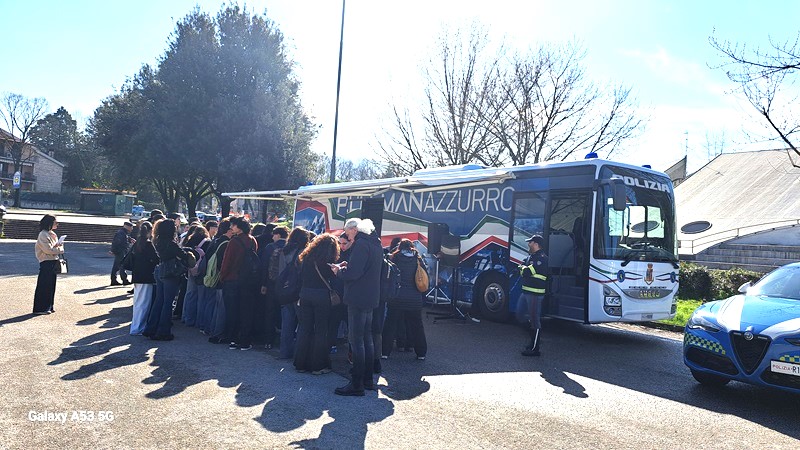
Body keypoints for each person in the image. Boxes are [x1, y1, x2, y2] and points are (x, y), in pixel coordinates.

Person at [330, 218, 383, 396]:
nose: (346, 235)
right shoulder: (376, 243)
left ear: (354, 230)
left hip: (357, 297)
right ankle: (367, 379)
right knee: (367, 339)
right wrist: (348, 266)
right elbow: (365, 269)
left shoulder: (361, 245)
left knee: (356, 340)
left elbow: (353, 274)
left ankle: (356, 383)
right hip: (371, 296)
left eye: (347, 232)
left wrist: (339, 271)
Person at [294, 233, 340, 374]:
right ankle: (318, 365)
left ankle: (300, 364)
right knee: (321, 330)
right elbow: (334, 278)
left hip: (305, 294)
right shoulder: (328, 261)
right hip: (321, 296)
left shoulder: (306, 258)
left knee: (304, 329)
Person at [143, 219, 194, 341]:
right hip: (170, 272)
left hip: (159, 270)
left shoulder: (157, 240)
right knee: (168, 302)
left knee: (159, 300)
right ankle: (163, 331)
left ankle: (151, 328)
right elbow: (182, 255)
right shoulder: (171, 243)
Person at [382, 239, 428, 360]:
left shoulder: (394, 258)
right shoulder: (418, 260)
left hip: (397, 297)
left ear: (399, 247)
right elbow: (425, 275)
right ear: (412, 247)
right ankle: (421, 353)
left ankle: (385, 352)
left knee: (390, 324)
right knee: (417, 326)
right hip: (414, 299)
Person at [219, 216, 259, 350]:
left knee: (232, 311)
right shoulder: (252, 240)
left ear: (239, 227)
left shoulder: (234, 242)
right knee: (246, 311)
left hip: (232, 280)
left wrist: (222, 277)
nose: (231, 227)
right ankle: (245, 340)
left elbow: (227, 262)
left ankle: (233, 339)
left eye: (233, 225)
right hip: (248, 280)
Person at [275, 227, 309, 359]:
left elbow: (280, 271)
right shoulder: (304, 252)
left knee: (286, 323)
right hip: (298, 291)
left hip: (285, 289)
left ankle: (284, 352)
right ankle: (298, 352)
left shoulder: (284, 250)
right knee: (301, 323)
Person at [519, 234, 549, 357]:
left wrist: (523, 269)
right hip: (526, 292)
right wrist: (523, 269)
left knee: (535, 320)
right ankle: (533, 340)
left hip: (535, 294)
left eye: (530, 242)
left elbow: (526, 272)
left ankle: (535, 348)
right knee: (520, 315)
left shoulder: (541, 258)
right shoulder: (531, 257)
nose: (528, 244)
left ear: (536, 244)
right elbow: (521, 268)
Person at [260, 225, 288, 349]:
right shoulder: (290, 247)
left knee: (269, 311)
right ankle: (284, 339)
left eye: (274, 234)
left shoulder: (270, 247)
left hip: (271, 283)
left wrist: (264, 284)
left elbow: (264, 266)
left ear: (278, 235)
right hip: (286, 285)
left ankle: (268, 340)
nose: (272, 237)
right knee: (284, 312)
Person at [130, 221, 159, 335]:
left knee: (138, 303)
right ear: (150, 231)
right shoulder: (148, 244)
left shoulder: (138, 243)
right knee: (144, 303)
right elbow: (156, 259)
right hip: (146, 276)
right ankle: (139, 328)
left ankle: (135, 326)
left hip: (137, 275)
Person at [33, 214, 64, 314]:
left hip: (53, 261)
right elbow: (48, 250)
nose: (57, 224)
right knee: (44, 285)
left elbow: (56, 248)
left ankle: (49, 306)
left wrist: (58, 247)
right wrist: (59, 249)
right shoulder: (43, 234)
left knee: (51, 285)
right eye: (56, 222)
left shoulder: (52, 234)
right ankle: (40, 308)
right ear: (49, 223)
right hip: (46, 261)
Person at [110, 221, 135, 286]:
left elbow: (124, 239)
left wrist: (130, 239)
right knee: (120, 266)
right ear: (128, 227)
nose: (132, 229)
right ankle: (122, 280)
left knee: (119, 266)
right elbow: (117, 242)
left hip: (121, 251)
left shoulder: (123, 233)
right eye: (131, 227)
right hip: (120, 251)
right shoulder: (121, 233)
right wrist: (113, 251)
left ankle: (119, 280)